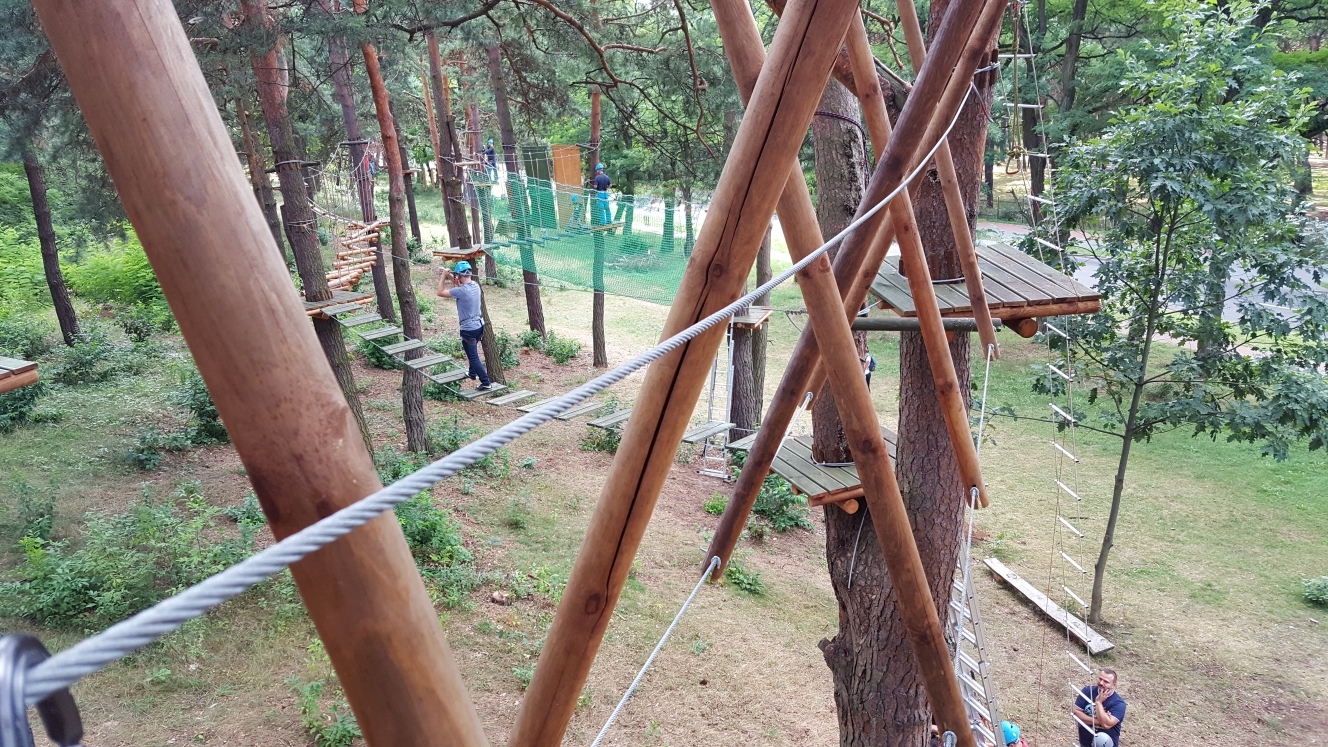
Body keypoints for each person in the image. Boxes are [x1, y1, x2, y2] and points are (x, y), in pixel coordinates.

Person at [436, 260, 492, 391]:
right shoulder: (475, 285)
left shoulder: (461, 291)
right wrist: (449, 274)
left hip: (468, 329)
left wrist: (443, 276)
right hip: (479, 326)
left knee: (473, 357)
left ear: (459, 275)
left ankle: (486, 382)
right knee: (473, 352)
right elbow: (459, 284)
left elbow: (440, 292)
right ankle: (472, 373)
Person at [1072, 669, 1125, 747]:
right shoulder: (1087, 691)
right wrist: (1101, 720)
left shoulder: (1118, 704)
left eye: (1106, 681)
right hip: (1085, 742)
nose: (1101, 683)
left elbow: (1106, 725)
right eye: (1100, 679)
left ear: (1114, 685)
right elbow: (1076, 713)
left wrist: (1099, 703)